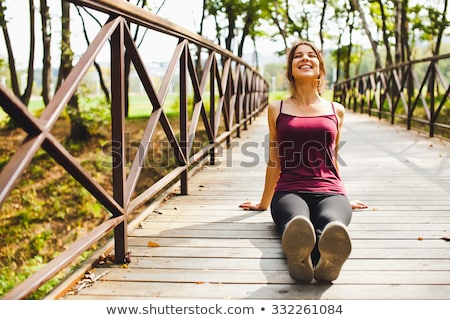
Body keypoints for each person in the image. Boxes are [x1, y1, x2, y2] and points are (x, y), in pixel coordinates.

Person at [239, 40, 368, 283]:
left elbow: (332, 157)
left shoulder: (336, 110)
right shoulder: (276, 109)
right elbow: (274, 160)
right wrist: (262, 203)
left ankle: (323, 260)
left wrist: (345, 198)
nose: (305, 59)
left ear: (320, 68)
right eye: (298, 56)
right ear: (290, 69)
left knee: (333, 225)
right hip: (289, 191)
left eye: (312, 55)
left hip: (331, 191)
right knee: (297, 223)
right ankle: (303, 255)